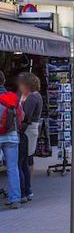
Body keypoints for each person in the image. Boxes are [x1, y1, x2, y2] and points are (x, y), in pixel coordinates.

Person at [17, 73, 42, 204]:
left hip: (27, 132)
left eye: (21, 84)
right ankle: (27, 190)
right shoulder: (37, 96)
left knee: (20, 163)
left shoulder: (32, 97)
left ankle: (23, 191)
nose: (20, 87)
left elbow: (25, 117)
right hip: (31, 131)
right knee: (25, 162)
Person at [0, 71, 22, 209]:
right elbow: (21, 116)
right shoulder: (13, 97)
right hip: (12, 137)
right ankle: (15, 199)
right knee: (12, 169)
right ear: (4, 81)